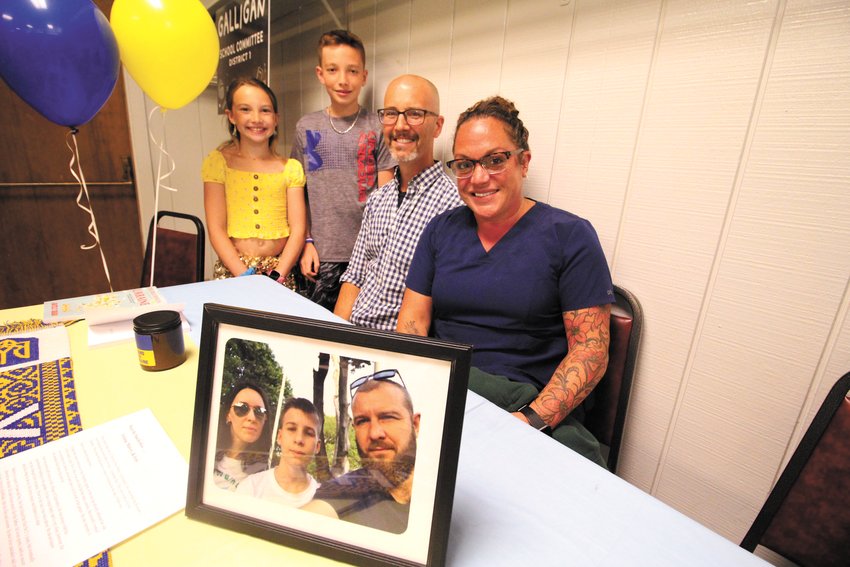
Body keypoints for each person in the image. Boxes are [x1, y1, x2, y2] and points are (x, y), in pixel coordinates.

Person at [397, 96, 613, 466]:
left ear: (523, 162)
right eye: (464, 165)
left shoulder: (569, 236)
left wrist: (528, 421)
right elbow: (412, 324)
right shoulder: (440, 231)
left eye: (495, 160)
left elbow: (590, 351)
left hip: (527, 406)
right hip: (447, 388)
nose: (479, 178)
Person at [334, 75, 464, 330]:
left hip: (397, 349)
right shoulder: (378, 200)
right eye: (391, 114)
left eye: (414, 114)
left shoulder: (454, 206)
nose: (400, 126)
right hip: (353, 338)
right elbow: (354, 278)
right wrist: (332, 340)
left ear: (437, 126)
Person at [290, 29, 395, 310]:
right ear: (320, 73)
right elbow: (297, 195)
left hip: (366, 257)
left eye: (352, 71)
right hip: (317, 255)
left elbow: (387, 197)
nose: (343, 80)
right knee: (315, 335)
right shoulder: (306, 127)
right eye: (333, 70)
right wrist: (305, 242)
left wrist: (381, 255)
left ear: (364, 76)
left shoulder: (377, 127)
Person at [202, 78, 307, 287]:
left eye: (265, 110)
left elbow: (298, 229)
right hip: (234, 272)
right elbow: (216, 228)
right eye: (245, 109)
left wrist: (279, 274)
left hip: (278, 273)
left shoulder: (291, 168)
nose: (256, 118)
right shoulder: (219, 163)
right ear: (231, 116)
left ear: (276, 118)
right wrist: (243, 276)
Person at [303, 370, 419, 533]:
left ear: (416, 425)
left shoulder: (437, 487)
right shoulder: (342, 491)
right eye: (362, 421)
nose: (374, 433)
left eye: (388, 417)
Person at [237, 398, 321, 507]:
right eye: (291, 429)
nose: (299, 439)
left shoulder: (322, 500)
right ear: (280, 437)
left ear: (317, 446)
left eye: (309, 433)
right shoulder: (251, 488)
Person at [214, 381, 273, 490]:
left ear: (265, 420)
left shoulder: (263, 478)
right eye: (242, 408)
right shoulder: (207, 452)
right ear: (228, 415)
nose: (252, 417)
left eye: (259, 411)